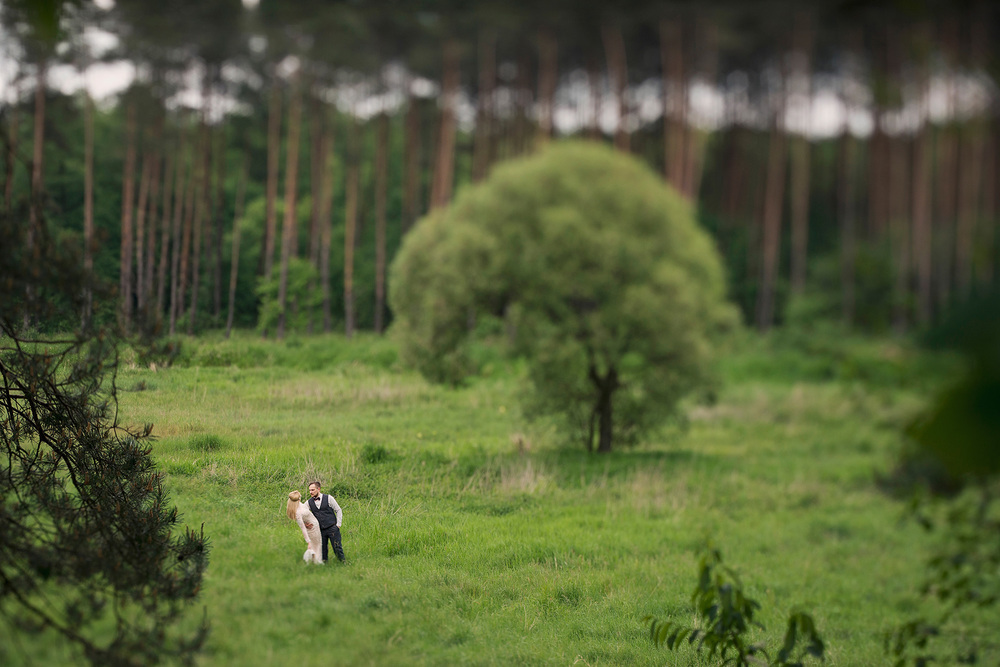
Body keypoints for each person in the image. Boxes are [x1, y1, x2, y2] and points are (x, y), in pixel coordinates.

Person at [307, 481, 345, 563]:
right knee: (322, 548)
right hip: (320, 530)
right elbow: (302, 512)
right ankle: (324, 564)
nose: (311, 492)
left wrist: (338, 525)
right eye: (310, 490)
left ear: (318, 489)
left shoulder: (329, 498)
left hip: (332, 527)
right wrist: (306, 523)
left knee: (337, 546)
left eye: (313, 490)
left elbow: (338, 510)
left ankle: (343, 562)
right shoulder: (309, 502)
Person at [286, 490, 323, 564]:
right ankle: (317, 561)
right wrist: (308, 541)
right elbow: (302, 528)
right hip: (312, 528)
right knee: (316, 545)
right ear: (299, 499)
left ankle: (314, 560)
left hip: (314, 526)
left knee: (317, 544)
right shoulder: (297, 513)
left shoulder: (299, 504)